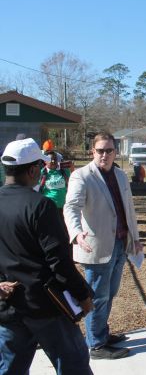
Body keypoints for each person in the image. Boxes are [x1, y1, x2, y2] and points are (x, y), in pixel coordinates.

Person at [0, 138, 93, 374]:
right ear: (32, 170)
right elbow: (59, 261)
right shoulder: (40, 206)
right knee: (74, 365)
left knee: (10, 368)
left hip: (9, 305)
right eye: (40, 166)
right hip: (45, 306)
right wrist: (82, 295)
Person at [64, 132, 143, 360]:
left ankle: (101, 333)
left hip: (120, 244)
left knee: (110, 293)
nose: (104, 155)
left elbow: (128, 210)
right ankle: (97, 345)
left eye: (109, 150)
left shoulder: (120, 175)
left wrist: (136, 238)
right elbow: (71, 207)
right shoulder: (81, 176)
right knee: (97, 296)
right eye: (100, 150)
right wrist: (76, 233)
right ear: (93, 151)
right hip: (96, 247)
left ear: (115, 152)